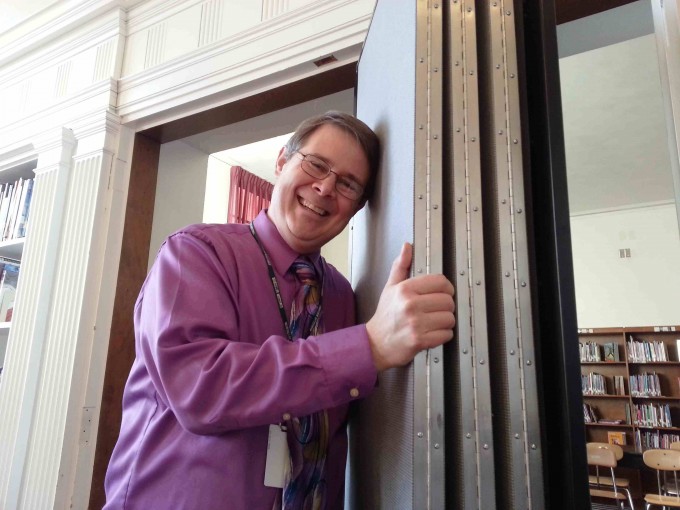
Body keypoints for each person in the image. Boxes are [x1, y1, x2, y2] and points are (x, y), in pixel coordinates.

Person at [103, 111, 455, 510]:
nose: (324, 188)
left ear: (357, 209)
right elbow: (200, 389)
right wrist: (368, 347)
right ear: (282, 161)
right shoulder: (196, 254)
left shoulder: (343, 296)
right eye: (316, 164)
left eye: (348, 184)